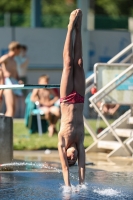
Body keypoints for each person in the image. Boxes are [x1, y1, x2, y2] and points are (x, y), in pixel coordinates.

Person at [58, 9, 85, 186]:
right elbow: (82, 167)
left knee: (68, 65)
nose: (73, 157)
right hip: (80, 98)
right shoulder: (80, 141)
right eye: (75, 159)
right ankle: (78, 30)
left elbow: (65, 169)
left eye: (70, 158)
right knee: (79, 63)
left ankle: (69, 28)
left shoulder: (62, 141)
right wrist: (82, 185)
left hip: (67, 98)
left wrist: (68, 187)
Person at [0, 41, 23, 117]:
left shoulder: (14, 61)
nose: (20, 52)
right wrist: (4, 71)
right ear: (15, 49)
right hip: (7, 84)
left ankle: (7, 127)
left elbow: (15, 72)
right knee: (10, 109)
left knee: (13, 109)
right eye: (19, 50)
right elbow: (1, 63)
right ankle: (4, 128)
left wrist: (19, 79)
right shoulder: (6, 57)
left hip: (13, 83)